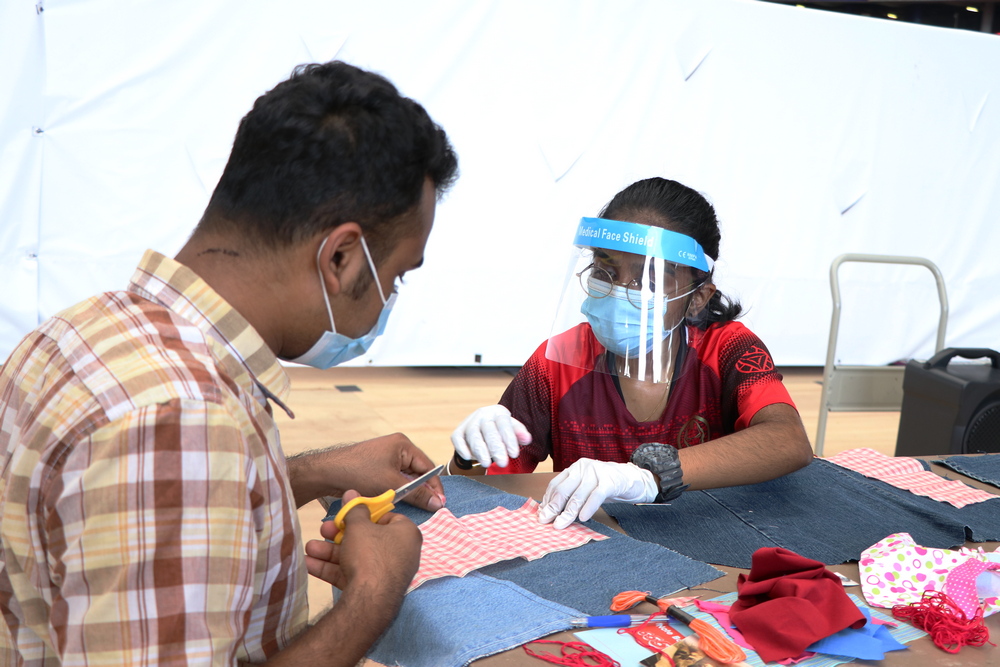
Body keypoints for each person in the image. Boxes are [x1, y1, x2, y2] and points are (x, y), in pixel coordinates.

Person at [0, 61, 457, 666]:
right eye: (395, 274)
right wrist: (372, 598)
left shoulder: (86, 333)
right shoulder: (180, 421)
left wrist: (318, 471)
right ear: (341, 256)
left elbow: (148, 516)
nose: (390, 298)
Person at [450, 177, 812, 528]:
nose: (620, 290)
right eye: (606, 270)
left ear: (696, 298)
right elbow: (486, 492)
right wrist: (469, 456)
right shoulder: (555, 363)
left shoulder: (727, 348)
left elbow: (787, 441)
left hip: (712, 536)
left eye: (649, 279)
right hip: (594, 546)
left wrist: (650, 477)